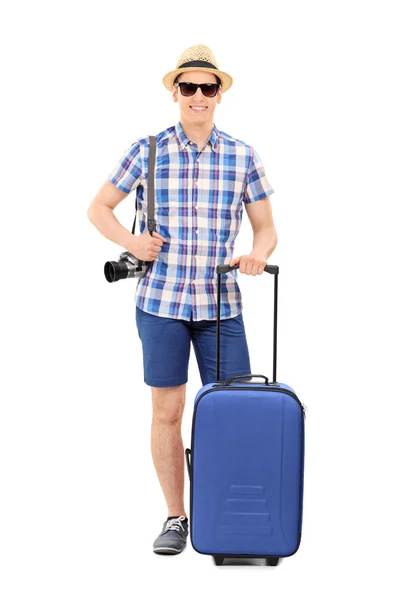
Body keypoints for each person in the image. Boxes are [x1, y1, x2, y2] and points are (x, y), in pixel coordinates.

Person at [87, 44, 277, 555]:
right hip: (161, 304)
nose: (198, 96)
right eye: (188, 87)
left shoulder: (242, 155)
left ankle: (224, 512)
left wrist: (257, 255)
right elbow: (99, 208)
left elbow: (266, 230)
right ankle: (177, 518)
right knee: (167, 411)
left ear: (220, 95)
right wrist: (130, 242)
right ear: (175, 92)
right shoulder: (146, 149)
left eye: (207, 87)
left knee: (231, 412)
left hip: (221, 306)